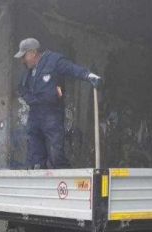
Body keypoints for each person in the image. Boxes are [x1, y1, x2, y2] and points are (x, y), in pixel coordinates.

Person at [15, 37, 102, 169]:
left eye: (24, 56)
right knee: (36, 160)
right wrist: (30, 99)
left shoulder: (53, 60)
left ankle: (68, 183)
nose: (22, 60)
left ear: (33, 53)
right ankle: (42, 187)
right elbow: (21, 88)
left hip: (52, 115)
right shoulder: (28, 71)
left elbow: (72, 69)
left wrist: (89, 76)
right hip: (35, 116)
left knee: (56, 156)